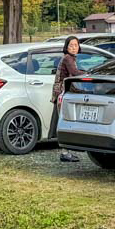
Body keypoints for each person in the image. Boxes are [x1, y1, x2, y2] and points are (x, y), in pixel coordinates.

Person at [50, 35, 83, 163]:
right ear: (66, 47)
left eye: (76, 45)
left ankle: (66, 151)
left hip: (61, 93)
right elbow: (74, 73)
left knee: (63, 120)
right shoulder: (68, 58)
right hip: (62, 94)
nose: (74, 48)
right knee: (65, 120)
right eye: (71, 45)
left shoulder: (71, 58)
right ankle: (65, 152)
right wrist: (90, 72)